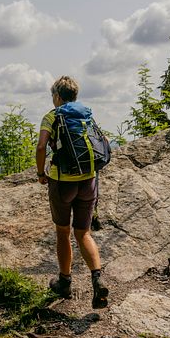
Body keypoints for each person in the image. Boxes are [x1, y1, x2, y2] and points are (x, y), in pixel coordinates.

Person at [36, 76, 109, 309]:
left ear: (57, 96)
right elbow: (103, 140)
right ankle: (98, 280)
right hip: (88, 181)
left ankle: (65, 283)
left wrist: (40, 173)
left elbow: (40, 147)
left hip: (62, 182)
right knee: (83, 233)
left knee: (63, 233)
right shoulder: (86, 115)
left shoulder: (52, 116)